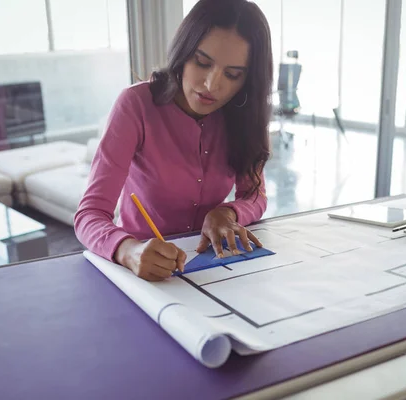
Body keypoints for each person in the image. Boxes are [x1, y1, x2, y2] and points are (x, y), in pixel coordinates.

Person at [74, 0, 273, 282]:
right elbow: (89, 214)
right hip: (142, 269)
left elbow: (256, 194)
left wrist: (228, 213)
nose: (211, 85)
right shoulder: (136, 105)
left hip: (216, 269)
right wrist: (128, 250)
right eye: (202, 62)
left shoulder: (244, 114)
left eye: (232, 75)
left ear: (248, 80)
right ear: (183, 51)